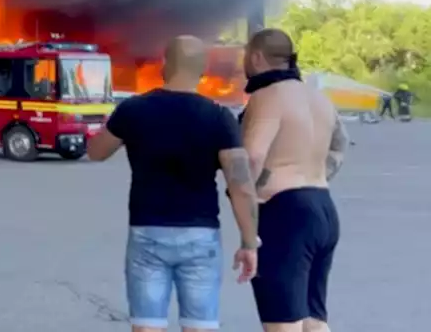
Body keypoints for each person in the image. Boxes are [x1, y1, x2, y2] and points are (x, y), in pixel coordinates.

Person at [87, 36, 260, 332]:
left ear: (165, 65)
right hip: (201, 234)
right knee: (200, 326)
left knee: (147, 326)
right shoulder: (219, 117)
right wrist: (248, 242)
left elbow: (96, 152)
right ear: (202, 71)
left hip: (147, 232)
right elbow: (241, 185)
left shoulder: (133, 109)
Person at [241, 28, 343, 332]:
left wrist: (250, 196)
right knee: (313, 320)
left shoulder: (267, 96)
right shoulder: (319, 99)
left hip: (285, 214)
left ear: (257, 57)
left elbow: (252, 158)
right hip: (323, 206)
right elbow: (338, 148)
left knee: (283, 323)